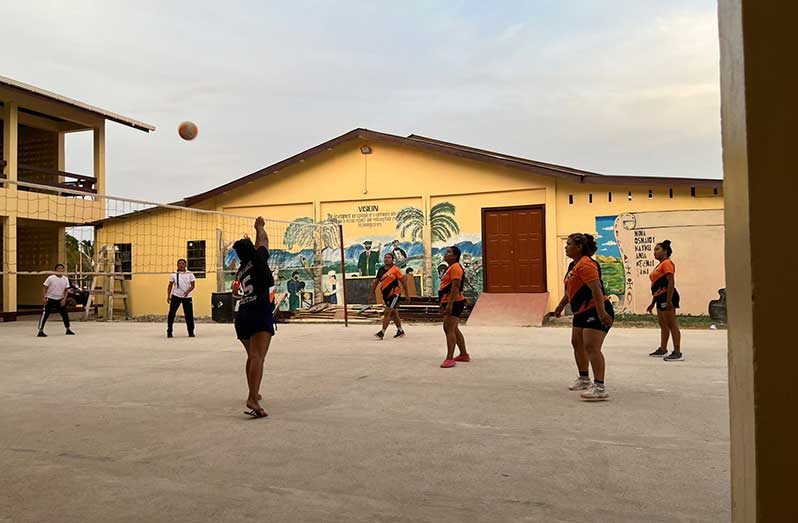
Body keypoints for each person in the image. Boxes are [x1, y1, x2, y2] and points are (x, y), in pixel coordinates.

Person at [551, 233, 614, 401]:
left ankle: (600, 387)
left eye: (569, 244)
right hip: (581, 311)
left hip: (595, 309)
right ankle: (584, 379)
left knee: (592, 347)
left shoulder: (586, 264)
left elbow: (596, 289)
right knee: (577, 343)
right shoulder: (574, 265)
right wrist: (560, 305)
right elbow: (570, 290)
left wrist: (602, 314)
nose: (566, 246)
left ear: (579, 247)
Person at [233, 217, 275, 418]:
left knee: (252, 356)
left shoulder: (241, 269)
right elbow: (264, 241)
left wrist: (251, 241)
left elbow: (256, 246)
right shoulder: (258, 259)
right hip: (259, 309)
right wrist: (259, 227)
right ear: (252, 250)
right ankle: (252, 398)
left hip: (243, 313)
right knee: (259, 356)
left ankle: (254, 391)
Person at [647, 240, 683, 361]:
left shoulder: (667, 263)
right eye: (654, 250)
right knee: (663, 325)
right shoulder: (660, 265)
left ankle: (677, 351)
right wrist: (652, 303)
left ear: (665, 251)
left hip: (667, 297)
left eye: (657, 249)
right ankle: (663, 349)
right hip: (660, 297)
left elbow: (671, 282)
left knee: (671, 324)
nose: (654, 252)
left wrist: (668, 301)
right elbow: (657, 286)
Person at [438, 246, 469, 368]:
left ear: (455, 256)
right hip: (449, 301)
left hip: (454, 302)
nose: (446, 254)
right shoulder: (450, 268)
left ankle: (449, 358)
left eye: (449, 252)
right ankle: (463, 354)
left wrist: (450, 304)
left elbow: (455, 287)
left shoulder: (456, 268)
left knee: (448, 329)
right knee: (454, 329)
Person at [371, 253, 407, 339]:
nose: (386, 259)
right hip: (385, 295)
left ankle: (382, 332)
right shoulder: (381, 270)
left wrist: (407, 294)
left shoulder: (395, 270)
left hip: (395, 294)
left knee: (387, 312)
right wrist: (372, 293)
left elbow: (403, 282)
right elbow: (376, 282)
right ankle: (400, 330)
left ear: (392, 259)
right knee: (394, 312)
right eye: (385, 257)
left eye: (389, 257)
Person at [38, 263, 75, 337]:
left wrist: (64, 299)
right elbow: (44, 288)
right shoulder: (51, 278)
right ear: (55, 270)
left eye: (62, 268)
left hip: (60, 299)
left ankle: (68, 329)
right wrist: (44, 297)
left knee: (65, 314)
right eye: (58, 268)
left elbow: (66, 290)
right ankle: (40, 331)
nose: (60, 270)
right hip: (50, 298)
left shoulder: (65, 279)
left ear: (63, 270)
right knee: (45, 314)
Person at [166, 258, 196, 338]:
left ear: (185, 265)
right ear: (177, 265)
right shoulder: (174, 274)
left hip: (187, 297)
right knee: (171, 314)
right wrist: (168, 296)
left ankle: (191, 332)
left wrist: (187, 291)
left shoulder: (190, 274)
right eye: (180, 263)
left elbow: (193, 286)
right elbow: (170, 286)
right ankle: (169, 331)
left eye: (183, 263)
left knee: (189, 315)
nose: (181, 265)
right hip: (176, 296)